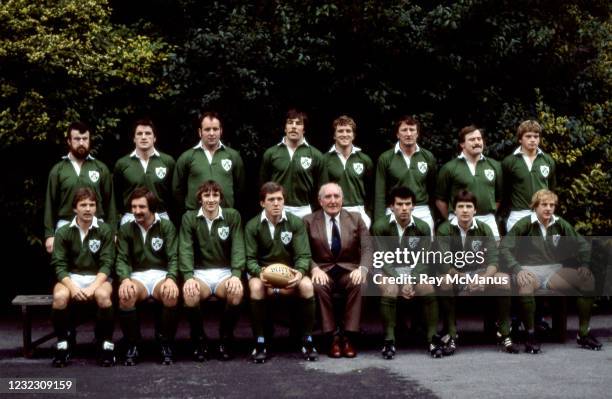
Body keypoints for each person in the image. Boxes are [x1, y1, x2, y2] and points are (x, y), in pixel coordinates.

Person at [500, 189, 601, 353]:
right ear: (535, 207)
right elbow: (504, 248)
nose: (548, 208)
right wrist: (517, 269)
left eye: (552, 205)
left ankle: (583, 334)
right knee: (525, 284)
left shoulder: (559, 223)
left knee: (587, 279)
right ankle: (530, 335)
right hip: (528, 270)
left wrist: (585, 264)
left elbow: (582, 244)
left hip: (553, 271)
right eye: (544, 205)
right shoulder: (525, 224)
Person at [436, 190, 517, 355]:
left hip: (479, 275)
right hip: (455, 274)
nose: (465, 210)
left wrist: (484, 279)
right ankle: (451, 333)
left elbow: (494, 261)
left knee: (503, 280)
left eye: (469, 206)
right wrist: (463, 278)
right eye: (461, 206)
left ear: (475, 210)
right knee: (444, 280)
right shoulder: (445, 229)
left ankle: (504, 332)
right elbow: (444, 263)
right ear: (454, 210)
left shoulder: (484, 228)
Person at [245, 182, 317, 363]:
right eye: (271, 200)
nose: (276, 203)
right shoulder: (253, 225)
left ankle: (307, 340)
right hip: (263, 273)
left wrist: (299, 273)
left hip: (290, 273)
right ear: (262, 203)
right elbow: (249, 259)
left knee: (308, 285)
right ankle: (260, 342)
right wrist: (260, 273)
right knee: (254, 287)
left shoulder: (295, 223)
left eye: (279, 199)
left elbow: (303, 255)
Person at [372, 186, 442, 359]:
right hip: (387, 269)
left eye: (408, 204)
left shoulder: (423, 227)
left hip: (413, 270)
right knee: (390, 289)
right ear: (391, 206)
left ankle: (432, 338)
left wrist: (411, 279)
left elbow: (423, 260)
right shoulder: (380, 227)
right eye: (399, 204)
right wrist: (400, 281)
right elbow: (382, 259)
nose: (404, 208)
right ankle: (389, 340)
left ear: (413, 206)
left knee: (427, 287)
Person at [304, 183, 373, 358]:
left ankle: (349, 337)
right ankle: (333, 337)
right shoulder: (308, 221)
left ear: (342, 199)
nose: (333, 200)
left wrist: (362, 269)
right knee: (318, 286)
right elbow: (302, 252)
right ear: (320, 201)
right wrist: (314, 269)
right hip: (323, 271)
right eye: (328, 197)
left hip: (349, 270)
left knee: (360, 283)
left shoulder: (356, 218)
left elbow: (367, 248)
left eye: (336, 196)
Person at [179, 181, 245, 361]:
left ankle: (225, 337)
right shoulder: (189, 217)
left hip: (225, 273)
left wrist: (236, 275)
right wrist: (188, 277)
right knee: (190, 294)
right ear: (200, 198)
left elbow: (238, 247)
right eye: (206, 195)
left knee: (236, 293)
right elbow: (185, 249)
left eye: (215, 195)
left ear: (220, 198)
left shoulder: (232, 216)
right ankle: (199, 338)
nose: (211, 199)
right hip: (200, 274)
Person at [50, 187, 115, 367]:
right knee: (59, 297)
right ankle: (63, 344)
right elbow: (59, 265)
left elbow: (107, 263)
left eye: (92, 205)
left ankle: (105, 344)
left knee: (103, 297)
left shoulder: (105, 230)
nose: (88, 209)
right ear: (74, 208)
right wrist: (73, 288)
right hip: (72, 278)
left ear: (96, 208)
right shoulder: (63, 231)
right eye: (83, 205)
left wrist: (93, 287)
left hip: (98, 278)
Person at [115, 187, 179, 365]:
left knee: (171, 294)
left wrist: (171, 278)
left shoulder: (166, 226)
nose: (136, 211)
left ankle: (166, 344)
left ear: (152, 207)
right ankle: (133, 345)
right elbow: (121, 258)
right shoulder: (127, 228)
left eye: (141, 207)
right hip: (137, 276)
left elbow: (174, 256)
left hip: (161, 275)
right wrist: (125, 279)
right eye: (134, 207)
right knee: (125, 296)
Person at [44, 121, 116, 254]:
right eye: (77, 139)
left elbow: (110, 202)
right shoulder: (58, 170)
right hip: (65, 226)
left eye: (85, 139)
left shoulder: (100, 168)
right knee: (65, 270)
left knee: (97, 270)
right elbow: (50, 204)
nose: (81, 143)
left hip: (96, 226)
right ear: (69, 141)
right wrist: (49, 235)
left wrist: (113, 232)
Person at [436, 125, 502, 238]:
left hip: (488, 220)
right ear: (462, 144)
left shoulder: (494, 166)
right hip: (459, 221)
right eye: (472, 139)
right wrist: (454, 218)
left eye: (479, 139)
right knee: (459, 254)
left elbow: (499, 197)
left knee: (492, 254)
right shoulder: (449, 168)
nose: (477, 142)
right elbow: (440, 199)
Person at [173, 111, 245, 213]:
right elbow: (177, 189)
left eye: (215, 129)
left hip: (226, 214)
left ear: (221, 131)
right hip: (195, 215)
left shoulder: (233, 156)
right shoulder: (187, 157)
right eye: (207, 129)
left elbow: (240, 187)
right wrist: (190, 208)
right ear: (200, 132)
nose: (211, 133)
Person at [374, 115, 436, 233]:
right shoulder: (386, 158)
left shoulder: (428, 157)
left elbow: (433, 190)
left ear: (417, 134)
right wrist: (379, 221)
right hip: (394, 210)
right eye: (404, 130)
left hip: (421, 210)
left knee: (423, 250)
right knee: (392, 250)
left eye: (412, 130)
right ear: (397, 134)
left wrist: (432, 216)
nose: (408, 134)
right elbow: (380, 193)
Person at [260, 109, 323, 218]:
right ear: (285, 128)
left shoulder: (316, 155)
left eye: (298, 123)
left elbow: (321, 187)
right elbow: (263, 185)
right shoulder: (271, 153)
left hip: (305, 210)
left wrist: (313, 209)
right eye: (290, 123)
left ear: (304, 129)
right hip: (277, 208)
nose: (293, 126)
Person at [113, 118, 176, 225]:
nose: (143, 137)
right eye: (139, 134)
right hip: (131, 218)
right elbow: (116, 195)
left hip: (160, 217)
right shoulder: (122, 164)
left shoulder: (167, 161)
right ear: (134, 138)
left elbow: (173, 195)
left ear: (154, 138)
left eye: (148, 133)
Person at [502, 120, 556, 232]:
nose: (533, 140)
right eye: (528, 136)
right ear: (520, 139)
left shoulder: (547, 160)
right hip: (518, 214)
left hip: (541, 213)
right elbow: (504, 191)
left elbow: (551, 189)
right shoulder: (509, 162)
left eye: (536, 136)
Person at [320, 115, 374, 228]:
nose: (344, 134)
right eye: (340, 131)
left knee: (362, 245)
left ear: (353, 135)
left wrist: (368, 213)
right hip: (334, 210)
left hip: (359, 210)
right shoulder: (325, 159)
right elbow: (322, 190)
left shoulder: (364, 159)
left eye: (348, 131)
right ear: (334, 135)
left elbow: (371, 191)